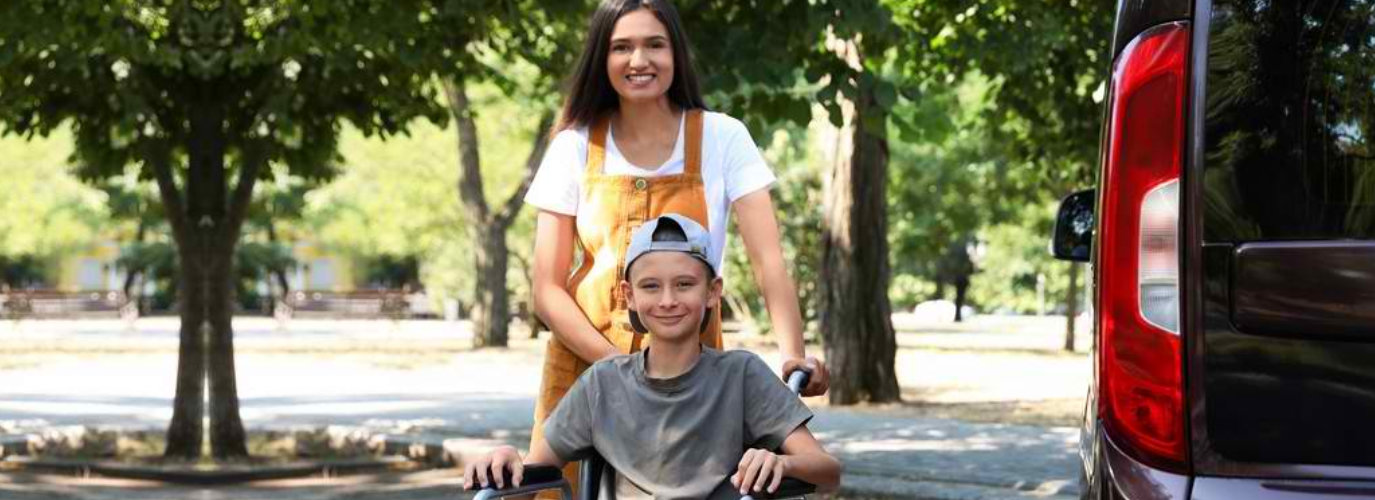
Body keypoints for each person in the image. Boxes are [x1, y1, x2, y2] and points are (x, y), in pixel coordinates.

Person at [525, 0, 831, 489]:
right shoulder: (575, 146)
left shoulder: (723, 137)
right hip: (586, 368)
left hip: (691, 371)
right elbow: (546, 287)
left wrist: (793, 353)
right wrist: (621, 374)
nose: (638, 60)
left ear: (676, 54)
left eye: (654, 44)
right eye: (621, 47)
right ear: (601, 60)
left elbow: (768, 261)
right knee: (550, 488)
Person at [466, 215, 841, 498]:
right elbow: (537, 467)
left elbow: (827, 470)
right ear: (629, 296)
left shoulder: (741, 374)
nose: (667, 300)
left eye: (684, 284)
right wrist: (505, 458)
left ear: (712, 292)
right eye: (650, 286)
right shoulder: (603, 382)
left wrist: (781, 461)